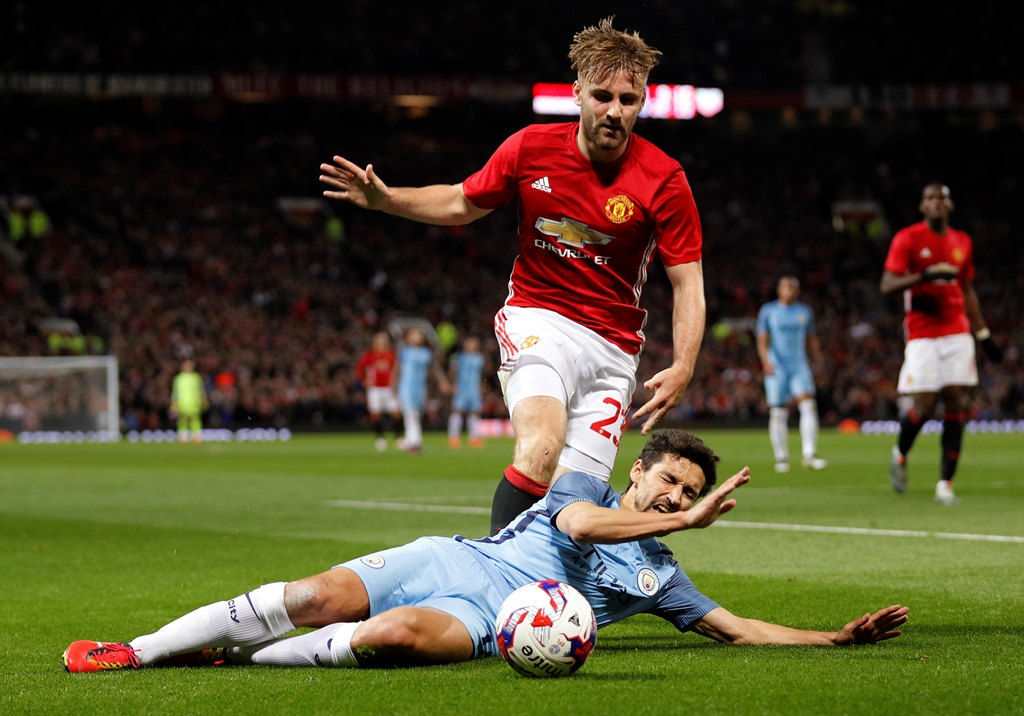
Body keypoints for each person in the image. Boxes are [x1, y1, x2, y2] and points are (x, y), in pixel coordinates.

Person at [62, 429, 908, 674]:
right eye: (670, 483)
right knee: (314, 593)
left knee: (391, 641)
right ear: (639, 471)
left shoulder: (659, 576)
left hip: (485, 614)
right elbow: (576, 532)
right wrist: (682, 526)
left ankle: (242, 663)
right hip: (449, 559)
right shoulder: (587, 493)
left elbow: (738, 628)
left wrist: (832, 638)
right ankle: (134, 651)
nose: (676, 498)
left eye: (688, 494)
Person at [320, 17, 706, 534]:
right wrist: (387, 200)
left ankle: (542, 596)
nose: (614, 110)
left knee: (578, 504)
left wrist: (683, 365)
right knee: (541, 447)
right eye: (602, 95)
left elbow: (688, 283)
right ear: (577, 93)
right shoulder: (530, 148)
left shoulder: (665, 179)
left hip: (614, 348)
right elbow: (462, 200)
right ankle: (490, 570)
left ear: (642, 102)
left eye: (628, 100)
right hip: (539, 318)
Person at [880, 183, 1003, 505]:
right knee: (923, 406)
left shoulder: (963, 241)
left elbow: (967, 289)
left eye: (942, 198)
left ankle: (945, 484)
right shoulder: (907, 238)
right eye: (930, 198)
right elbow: (888, 284)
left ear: (950, 206)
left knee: (956, 403)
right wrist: (924, 276)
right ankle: (900, 452)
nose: (937, 203)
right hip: (921, 332)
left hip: (957, 330)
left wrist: (983, 333)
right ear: (922, 206)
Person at [755, 276, 827, 472]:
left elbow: (811, 340)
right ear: (779, 290)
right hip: (777, 365)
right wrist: (766, 362)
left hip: (799, 364)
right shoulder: (768, 311)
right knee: (778, 411)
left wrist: (818, 364)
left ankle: (809, 455)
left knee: (809, 405)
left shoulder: (804, 311)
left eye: (794, 287)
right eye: (786, 287)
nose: (790, 290)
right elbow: (762, 339)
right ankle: (782, 458)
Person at [395, 327, 452, 454]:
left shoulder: (426, 353)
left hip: (420, 387)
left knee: (416, 414)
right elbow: (397, 370)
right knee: (411, 414)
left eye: (419, 335)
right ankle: (415, 442)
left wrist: (443, 382)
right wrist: (393, 386)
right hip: (406, 387)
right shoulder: (404, 352)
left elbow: (435, 369)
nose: (417, 337)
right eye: (414, 334)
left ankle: (410, 440)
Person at [354, 332, 403, 451]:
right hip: (375, 389)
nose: (381, 343)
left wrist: (396, 382)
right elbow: (359, 370)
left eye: (383, 341)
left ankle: (398, 437)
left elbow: (398, 370)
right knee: (375, 414)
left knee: (396, 413)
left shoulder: (392, 355)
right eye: (379, 341)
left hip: (389, 388)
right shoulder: (369, 356)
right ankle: (380, 438)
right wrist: (365, 381)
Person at [448, 336, 486, 448]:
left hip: (474, 388)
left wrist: (482, 384)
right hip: (461, 387)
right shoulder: (458, 357)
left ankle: (474, 438)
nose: (472, 345)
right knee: (457, 411)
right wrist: (453, 385)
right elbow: (452, 372)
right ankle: (453, 437)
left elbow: (482, 373)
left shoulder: (480, 358)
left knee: (474, 412)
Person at [169, 359, 207, 444]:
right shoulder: (179, 378)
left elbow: (201, 391)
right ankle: (183, 437)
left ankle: (196, 437)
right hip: (182, 403)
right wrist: (174, 403)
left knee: (195, 419)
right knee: (182, 420)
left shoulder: (196, 377)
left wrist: (203, 400)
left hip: (194, 403)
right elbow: (175, 392)